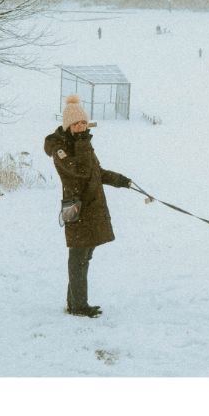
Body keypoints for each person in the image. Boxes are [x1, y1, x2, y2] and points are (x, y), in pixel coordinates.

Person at [43, 94, 134, 318]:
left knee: (85, 257)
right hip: (76, 209)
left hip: (92, 208)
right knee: (77, 258)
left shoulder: (81, 143)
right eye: (76, 124)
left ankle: (75, 303)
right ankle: (78, 306)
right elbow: (81, 173)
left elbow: (96, 172)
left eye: (83, 122)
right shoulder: (61, 150)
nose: (81, 127)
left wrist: (120, 180)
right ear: (68, 126)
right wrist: (83, 141)